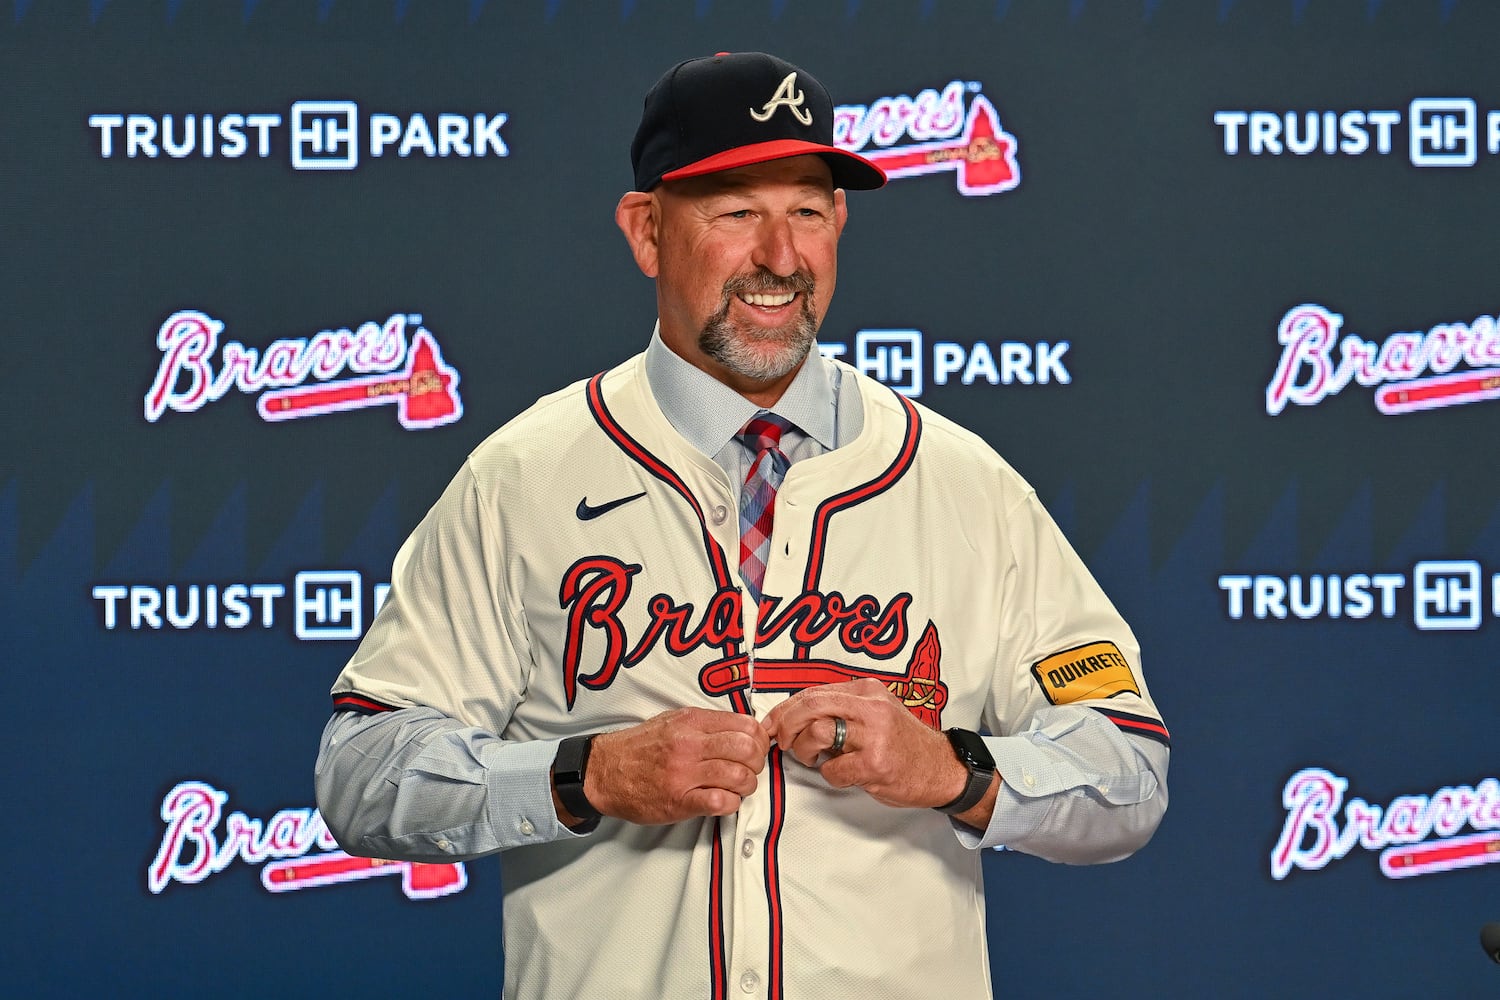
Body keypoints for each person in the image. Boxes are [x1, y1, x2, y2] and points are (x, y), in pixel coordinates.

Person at [315, 51, 1169, 1000]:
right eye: (735, 213)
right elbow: (364, 771)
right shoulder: (524, 480)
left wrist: (956, 769)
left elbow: (1126, 769)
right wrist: (584, 774)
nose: (780, 256)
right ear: (646, 231)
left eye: (807, 209)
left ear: (839, 221)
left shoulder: (965, 485)